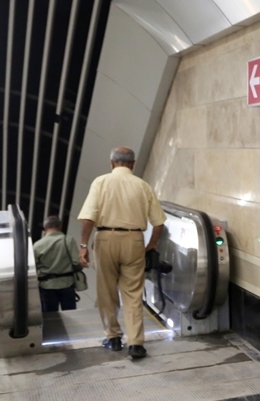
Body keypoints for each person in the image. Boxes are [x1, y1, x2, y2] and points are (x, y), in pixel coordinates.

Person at [78, 146, 166, 359]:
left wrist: (83, 245)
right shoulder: (142, 186)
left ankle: (113, 337)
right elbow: (159, 222)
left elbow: (89, 218)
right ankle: (136, 343)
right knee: (133, 293)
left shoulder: (100, 182)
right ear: (133, 164)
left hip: (105, 239)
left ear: (111, 163)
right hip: (134, 240)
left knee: (106, 292)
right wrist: (151, 244)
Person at [33, 215, 81, 312]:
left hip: (47, 285)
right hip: (67, 283)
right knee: (70, 313)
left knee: (50, 316)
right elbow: (77, 262)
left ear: (44, 228)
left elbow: (33, 268)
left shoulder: (37, 245)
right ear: (60, 227)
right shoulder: (68, 240)